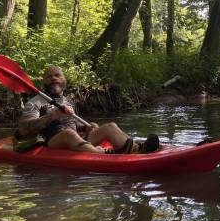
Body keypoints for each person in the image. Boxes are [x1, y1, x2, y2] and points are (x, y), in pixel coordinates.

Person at [15, 65, 159, 154]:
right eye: (49, 76)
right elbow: (24, 129)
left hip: (75, 139)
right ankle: (103, 155)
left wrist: (86, 127)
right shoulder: (35, 102)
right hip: (51, 141)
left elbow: (75, 127)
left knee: (110, 126)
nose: (53, 78)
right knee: (68, 134)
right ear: (43, 82)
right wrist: (52, 116)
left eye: (57, 75)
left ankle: (135, 149)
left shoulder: (68, 101)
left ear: (64, 79)